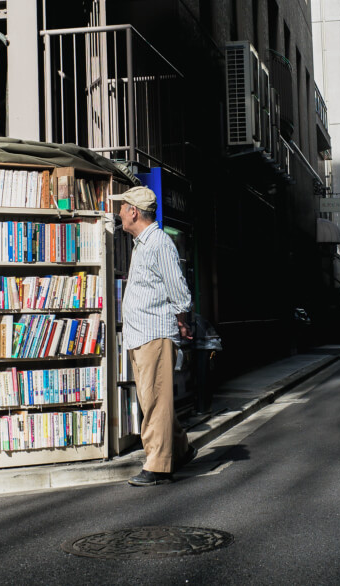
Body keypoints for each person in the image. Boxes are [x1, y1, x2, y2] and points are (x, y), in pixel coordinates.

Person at [113, 185, 196, 486]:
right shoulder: (142, 243)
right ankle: (181, 449)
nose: (118, 213)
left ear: (133, 211)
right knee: (154, 401)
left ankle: (159, 465)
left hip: (154, 334)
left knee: (155, 402)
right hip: (142, 334)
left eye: (122, 208)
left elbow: (177, 287)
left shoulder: (158, 243)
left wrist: (182, 319)